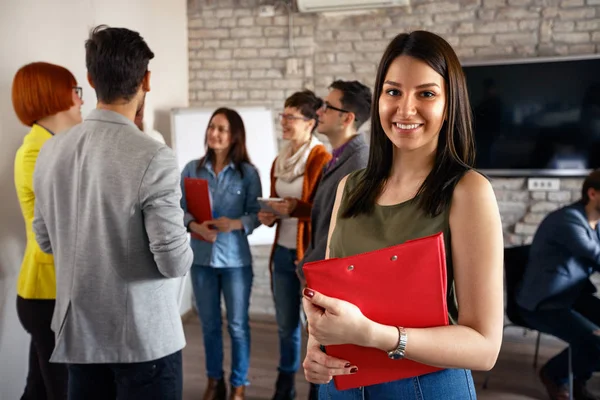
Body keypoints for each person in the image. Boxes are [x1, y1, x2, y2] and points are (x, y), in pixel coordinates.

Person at [301, 30, 504, 399]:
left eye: (426, 93)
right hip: (341, 385)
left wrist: (374, 336)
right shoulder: (351, 187)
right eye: (393, 91)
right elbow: (324, 298)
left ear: (449, 104)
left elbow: (485, 348)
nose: (404, 109)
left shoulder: (468, 191)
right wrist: (315, 346)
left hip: (424, 388)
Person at [32, 25, 193, 400]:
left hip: (80, 333)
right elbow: (172, 263)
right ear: (146, 80)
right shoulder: (153, 154)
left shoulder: (51, 150)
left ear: (89, 79)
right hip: (143, 338)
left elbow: (45, 240)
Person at [295, 80, 372, 400]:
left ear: (347, 118)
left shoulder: (359, 163)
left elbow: (344, 233)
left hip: (332, 280)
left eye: (327, 107)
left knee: (329, 368)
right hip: (320, 271)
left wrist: (309, 266)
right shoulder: (339, 156)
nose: (319, 111)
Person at [12, 61, 83, 400]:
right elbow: (65, 222)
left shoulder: (51, 146)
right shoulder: (35, 153)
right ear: (53, 96)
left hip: (52, 290)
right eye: (75, 91)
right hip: (45, 292)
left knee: (38, 389)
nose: (81, 100)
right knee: (62, 391)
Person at [180, 107, 262, 400]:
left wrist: (235, 223)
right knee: (209, 325)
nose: (214, 133)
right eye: (211, 127)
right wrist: (194, 225)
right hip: (201, 259)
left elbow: (257, 214)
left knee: (238, 326)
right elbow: (180, 209)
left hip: (236, 262)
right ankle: (214, 381)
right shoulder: (191, 168)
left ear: (234, 136)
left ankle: (238, 385)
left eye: (222, 129)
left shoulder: (248, 174)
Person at [258, 90, 331, 400]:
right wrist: (271, 214)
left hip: (309, 256)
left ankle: (316, 387)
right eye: (283, 116)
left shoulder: (320, 157)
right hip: (283, 251)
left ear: (310, 122)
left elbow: (324, 209)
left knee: (315, 327)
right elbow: (281, 203)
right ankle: (284, 384)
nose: (284, 122)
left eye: (291, 117)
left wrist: (296, 209)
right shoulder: (281, 159)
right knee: (286, 325)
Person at [516, 170, 600, 400]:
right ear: (592, 193)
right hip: (544, 303)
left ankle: (577, 378)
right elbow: (596, 255)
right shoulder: (568, 220)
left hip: (572, 296)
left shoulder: (595, 223)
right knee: (595, 343)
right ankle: (554, 375)